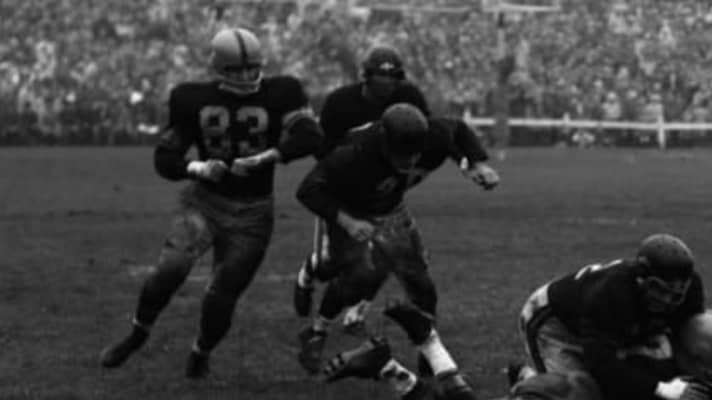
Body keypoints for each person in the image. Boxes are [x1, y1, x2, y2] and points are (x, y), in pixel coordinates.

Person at [99, 27, 323, 378]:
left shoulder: (284, 90)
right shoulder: (191, 98)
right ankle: (137, 335)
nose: (247, 76)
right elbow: (165, 157)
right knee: (171, 269)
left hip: (254, 211)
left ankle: (200, 353)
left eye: (252, 68)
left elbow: (310, 136)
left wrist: (267, 157)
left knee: (222, 294)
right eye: (237, 70)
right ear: (219, 69)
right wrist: (199, 167)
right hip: (205, 201)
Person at [294, 103, 500, 375]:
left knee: (421, 285)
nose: (409, 162)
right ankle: (317, 331)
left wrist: (477, 164)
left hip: (390, 209)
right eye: (401, 154)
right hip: (348, 208)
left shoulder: (434, 135)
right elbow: (308, 190)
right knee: (358, 276)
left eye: (414, 153)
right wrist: (348, 222)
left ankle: (430, 356)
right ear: (384, 144)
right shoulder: (353, 154)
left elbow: (458, 129)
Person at [293, 44, 430, 334]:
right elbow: (323, 150)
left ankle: (356, 313)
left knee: (386, 254)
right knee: (334, 264)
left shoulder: (410, 98)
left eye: (392, 77)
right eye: (381, 77)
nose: (387, 84)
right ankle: (308, 272)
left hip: (384, 188)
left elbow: (423, 135)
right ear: (366, 76)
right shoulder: (340, 103)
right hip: (345, 186)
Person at [514, 233, 708, 400]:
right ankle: (528, 382)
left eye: (674, 294)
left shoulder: (690, 291)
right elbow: (601, 363)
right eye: (658, 289)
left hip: (611, 324)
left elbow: (689, 337)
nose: (666, 300)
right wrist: (662, 388)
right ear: (641, 279)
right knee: (578, 389)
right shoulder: (613, 294)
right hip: (555, 322)